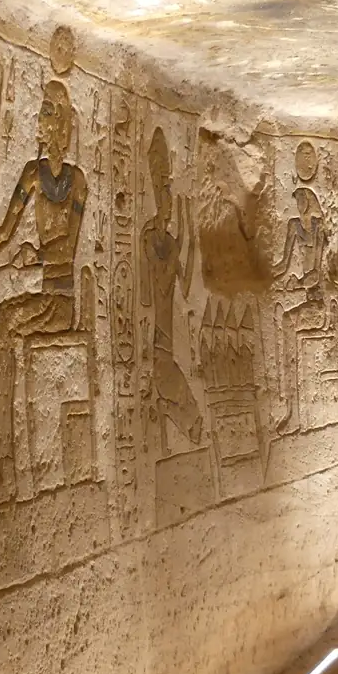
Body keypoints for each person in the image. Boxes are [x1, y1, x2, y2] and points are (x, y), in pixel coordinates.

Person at [0, 79, 88, 512]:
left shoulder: (77, 181)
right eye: (41, 110)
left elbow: (70, 247)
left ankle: (7, 470)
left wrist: (37, 254)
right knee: (3, 320)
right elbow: (3, 232)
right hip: (44, 297)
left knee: (5, 322)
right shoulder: (32, 174)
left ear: (62, 123)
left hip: (61, 302)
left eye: (48, 111)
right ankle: (1, 465)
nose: (40, 119)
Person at [140, 127, 201, 447]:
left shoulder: (172, 242)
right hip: (157, 350)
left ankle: (166, 416)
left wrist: (190, 238)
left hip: (169, 351)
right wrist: (179, 246)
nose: (168, 196)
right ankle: (164, 414)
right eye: (163, 189)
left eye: (169, 188)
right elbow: (162, 285)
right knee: (190, 413)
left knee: (194, 415)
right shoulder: (149, 238)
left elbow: (186, 287)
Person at [271, 185, 328, 432]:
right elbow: (282, 265)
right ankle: (289, 404)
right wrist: (266, 277)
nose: (299, 203)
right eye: (297, 199)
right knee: (282, 321)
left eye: (303, 198)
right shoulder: (294, 227)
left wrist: (299, 282)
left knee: (287, 321)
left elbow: (317, 274)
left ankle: (293, 410)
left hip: (320, 306)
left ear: (311, 200)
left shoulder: (319, 229)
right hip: (308, 300)